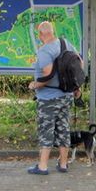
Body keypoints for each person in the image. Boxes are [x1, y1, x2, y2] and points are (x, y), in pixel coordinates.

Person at [27, 20, 76, 175]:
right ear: (52, 32)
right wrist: (76, 87)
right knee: (63, 129)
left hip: (49, 98)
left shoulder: (45, 51)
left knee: (46, 130)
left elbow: (48, 74)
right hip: (66, 95)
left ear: (41, 34)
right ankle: (63, 164)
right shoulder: (66, 44)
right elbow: (78, 65)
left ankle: (42, 166)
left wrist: (35, 85)